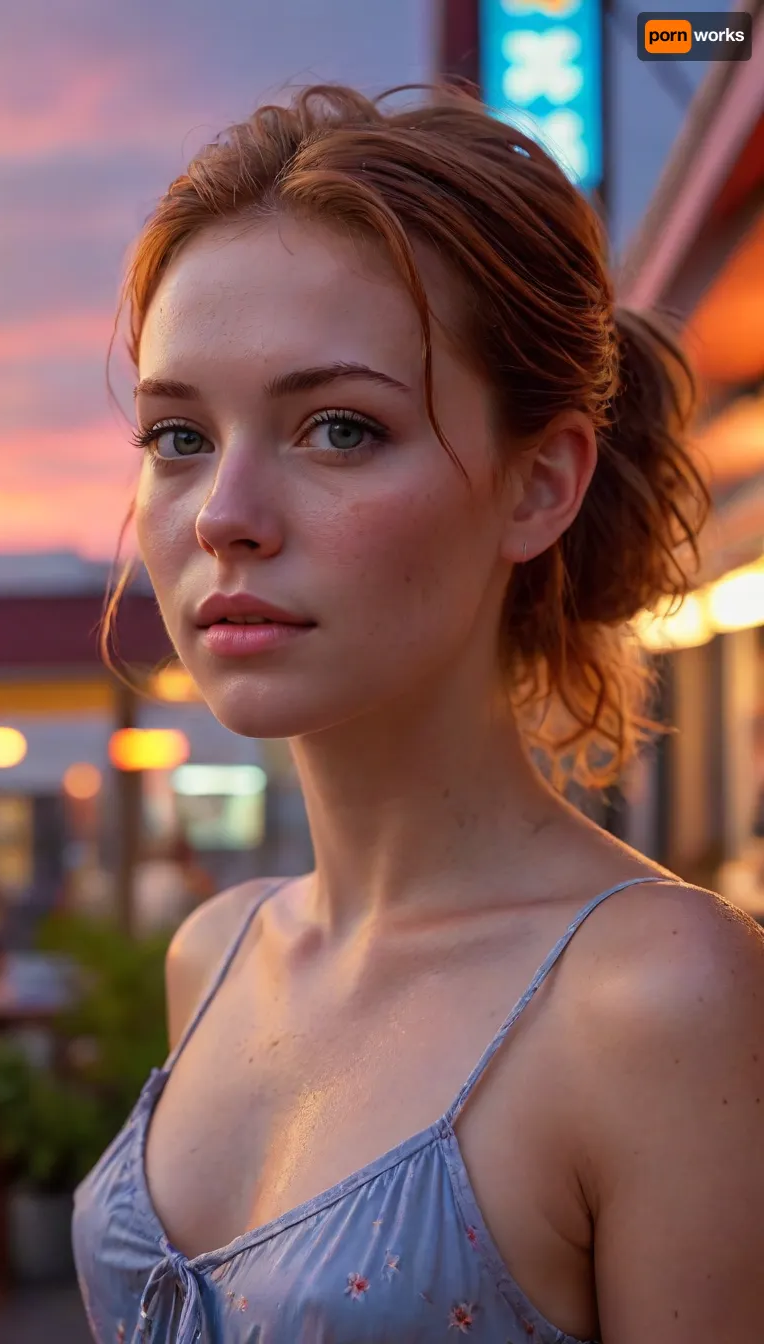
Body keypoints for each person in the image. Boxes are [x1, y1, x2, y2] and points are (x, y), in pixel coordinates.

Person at [73, 84, 764, 1343]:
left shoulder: (659, 994)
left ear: (539, 484)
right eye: (178, 435)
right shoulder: (216, 954)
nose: (224, 514)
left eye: (339, 429)